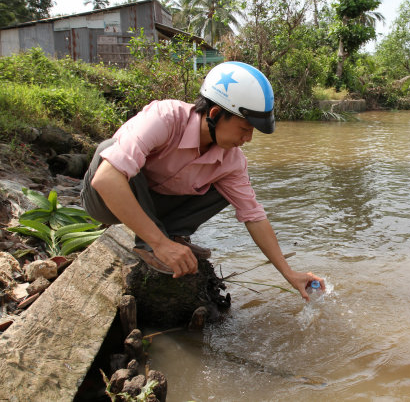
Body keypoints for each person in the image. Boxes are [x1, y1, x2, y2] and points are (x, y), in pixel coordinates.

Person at [80, 61, 324, 300]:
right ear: (216, 114)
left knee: (226, 189)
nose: (248, 138)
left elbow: (254, 216)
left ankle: (173, 234)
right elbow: (106, 179)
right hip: (102, 202)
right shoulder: (165, 118)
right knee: (112, 153)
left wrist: (289, 273)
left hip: (155, 202)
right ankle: (154, 243)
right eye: (244, 128)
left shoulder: (232, 161)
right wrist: (160, 243)